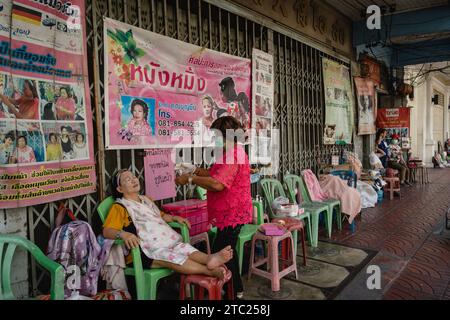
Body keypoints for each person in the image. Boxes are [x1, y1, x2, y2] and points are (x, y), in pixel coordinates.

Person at [103, 169, 233, 280]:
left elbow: (160, 216)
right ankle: (209, 271)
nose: (133, 180)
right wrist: (124, 234)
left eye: (133, 176)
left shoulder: (146, 200)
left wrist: (175, 218)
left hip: (165, 241)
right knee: (173, 257)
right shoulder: (120, 207)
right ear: (120, 189)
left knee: (184, 248)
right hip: (147, 251)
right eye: (127, 179)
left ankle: (209, 259)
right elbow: (107, 230)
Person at [175, 116, 253, 299]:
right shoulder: (231, 153)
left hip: (232, 213)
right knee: (226, 252)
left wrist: (189, 179)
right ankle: (236, 289)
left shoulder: (234, 154)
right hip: (230, 212)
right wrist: (194, 170)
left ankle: (233, 293)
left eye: (215, 135)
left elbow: (217, 184)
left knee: (223, 253)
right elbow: (214, 174)